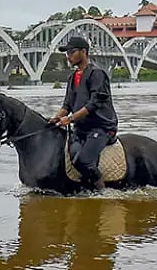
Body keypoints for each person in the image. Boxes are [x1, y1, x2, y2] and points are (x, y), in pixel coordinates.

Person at [48, 36, 119, 189]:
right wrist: (56, 118)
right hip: (81, 129)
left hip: (101, 128)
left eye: (71, 52)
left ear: (83, 52)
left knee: (84, 161)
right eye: (67, 53)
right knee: (71, 157)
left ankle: (101, 190)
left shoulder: (97, 74)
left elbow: (93, 104)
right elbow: (67, 105)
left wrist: (70, 118)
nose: (68, 56)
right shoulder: (72, 77)